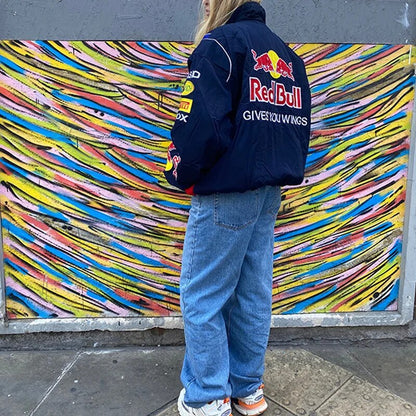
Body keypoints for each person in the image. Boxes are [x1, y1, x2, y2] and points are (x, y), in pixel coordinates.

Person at [164, 1, 311, 415]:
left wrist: (179, 168)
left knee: (202, 294)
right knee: (251, 293)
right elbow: (299, 131)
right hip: (267, 192)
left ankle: (208, 395)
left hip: (226, 191)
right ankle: (248, 389)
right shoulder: (287, 56)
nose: (203, 6)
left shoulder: (220, 45)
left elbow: (200, 126)